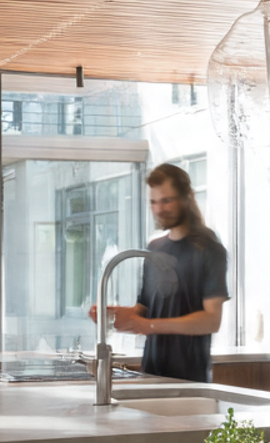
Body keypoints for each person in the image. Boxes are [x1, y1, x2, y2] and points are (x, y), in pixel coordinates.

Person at [94, 163, 229, 383]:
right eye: (153, 202)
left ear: (188, 197)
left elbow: (211, 320)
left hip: (189, 379)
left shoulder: (209, 249)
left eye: (166, 200)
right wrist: (112, 315)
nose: (158, 209)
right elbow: (145, 309)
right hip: (151, 373)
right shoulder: (154, 248)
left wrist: (149, 326)